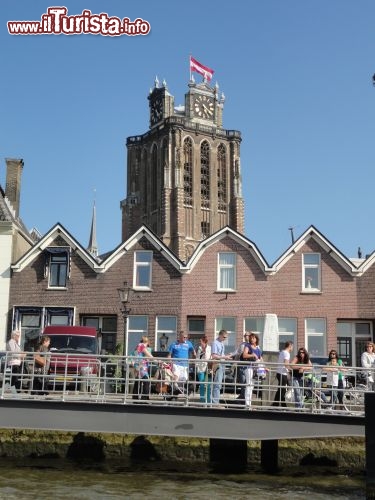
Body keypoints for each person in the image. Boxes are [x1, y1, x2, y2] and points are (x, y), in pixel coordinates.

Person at [241, 333, 263, 408]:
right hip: (249, 367)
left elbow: (261, 359)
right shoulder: (248, 346)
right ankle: (247, 404)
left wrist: (265, 367)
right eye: (251, 338)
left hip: (256, 368)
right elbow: (244, 355)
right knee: (249, 384)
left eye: (253, 338)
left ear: (256, 339)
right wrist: (252, 355)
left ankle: (249, 403)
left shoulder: (258, 349)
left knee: (252, 385)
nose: (252, 339)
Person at [211, 329, 232, 405]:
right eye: (224, 337)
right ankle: (215, 403)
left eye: (226, 337)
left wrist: (226, 356)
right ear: (220, 335)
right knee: (217, 384)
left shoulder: (222, 344)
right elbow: (214, 355)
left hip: (222, 363)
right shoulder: (215, 343)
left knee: (219, 384)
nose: (225, 339)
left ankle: (216, 401)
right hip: (218, 364)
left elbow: (221, 355)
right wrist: (225, 357)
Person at [272, 341, 293, 407]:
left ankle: (276, 404)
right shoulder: (287, 353)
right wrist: (291, 370)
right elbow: (286, 364)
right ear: (290, 346)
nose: (292, 348)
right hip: (282, 373)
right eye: (292, 347)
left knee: (280, 389)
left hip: (279, 372)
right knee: (282, 390)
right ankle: (281, 405)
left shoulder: (282, 352)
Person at [132, 336, 153, 400]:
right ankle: (145, 398)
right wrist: (157, 360)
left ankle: (135, 398)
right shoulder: (142, 346)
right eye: (148, 343)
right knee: (146, 381)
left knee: (138, 381)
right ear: (146, 342)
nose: (148, 345)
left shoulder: (138, 346)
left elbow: (135, 354)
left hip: (138, 365)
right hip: (141, 366)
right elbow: (150, 356)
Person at [233, 332, 251, 403]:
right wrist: (231, 355)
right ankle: (242, 397)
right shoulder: (242, 344)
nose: (245, 337)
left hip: (249, 366)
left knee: (248, 383)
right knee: (243, 382)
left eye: (247, 335)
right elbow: (237, 352)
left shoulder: (253, 345)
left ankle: (245, 398)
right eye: (245, 335)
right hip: (241, 365)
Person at [195, 335, 211, 403]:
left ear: (204, 342)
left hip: (207, 368)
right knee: (202, 384)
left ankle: (208, 399)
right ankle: (202, 399)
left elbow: (208, 357)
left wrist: (204, 351)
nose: (199, 342)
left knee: (207, 384)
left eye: (200, 341)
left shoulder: (209, 348)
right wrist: (196, 366)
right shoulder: (198, 348)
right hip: (200, 368)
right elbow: (197, 358)